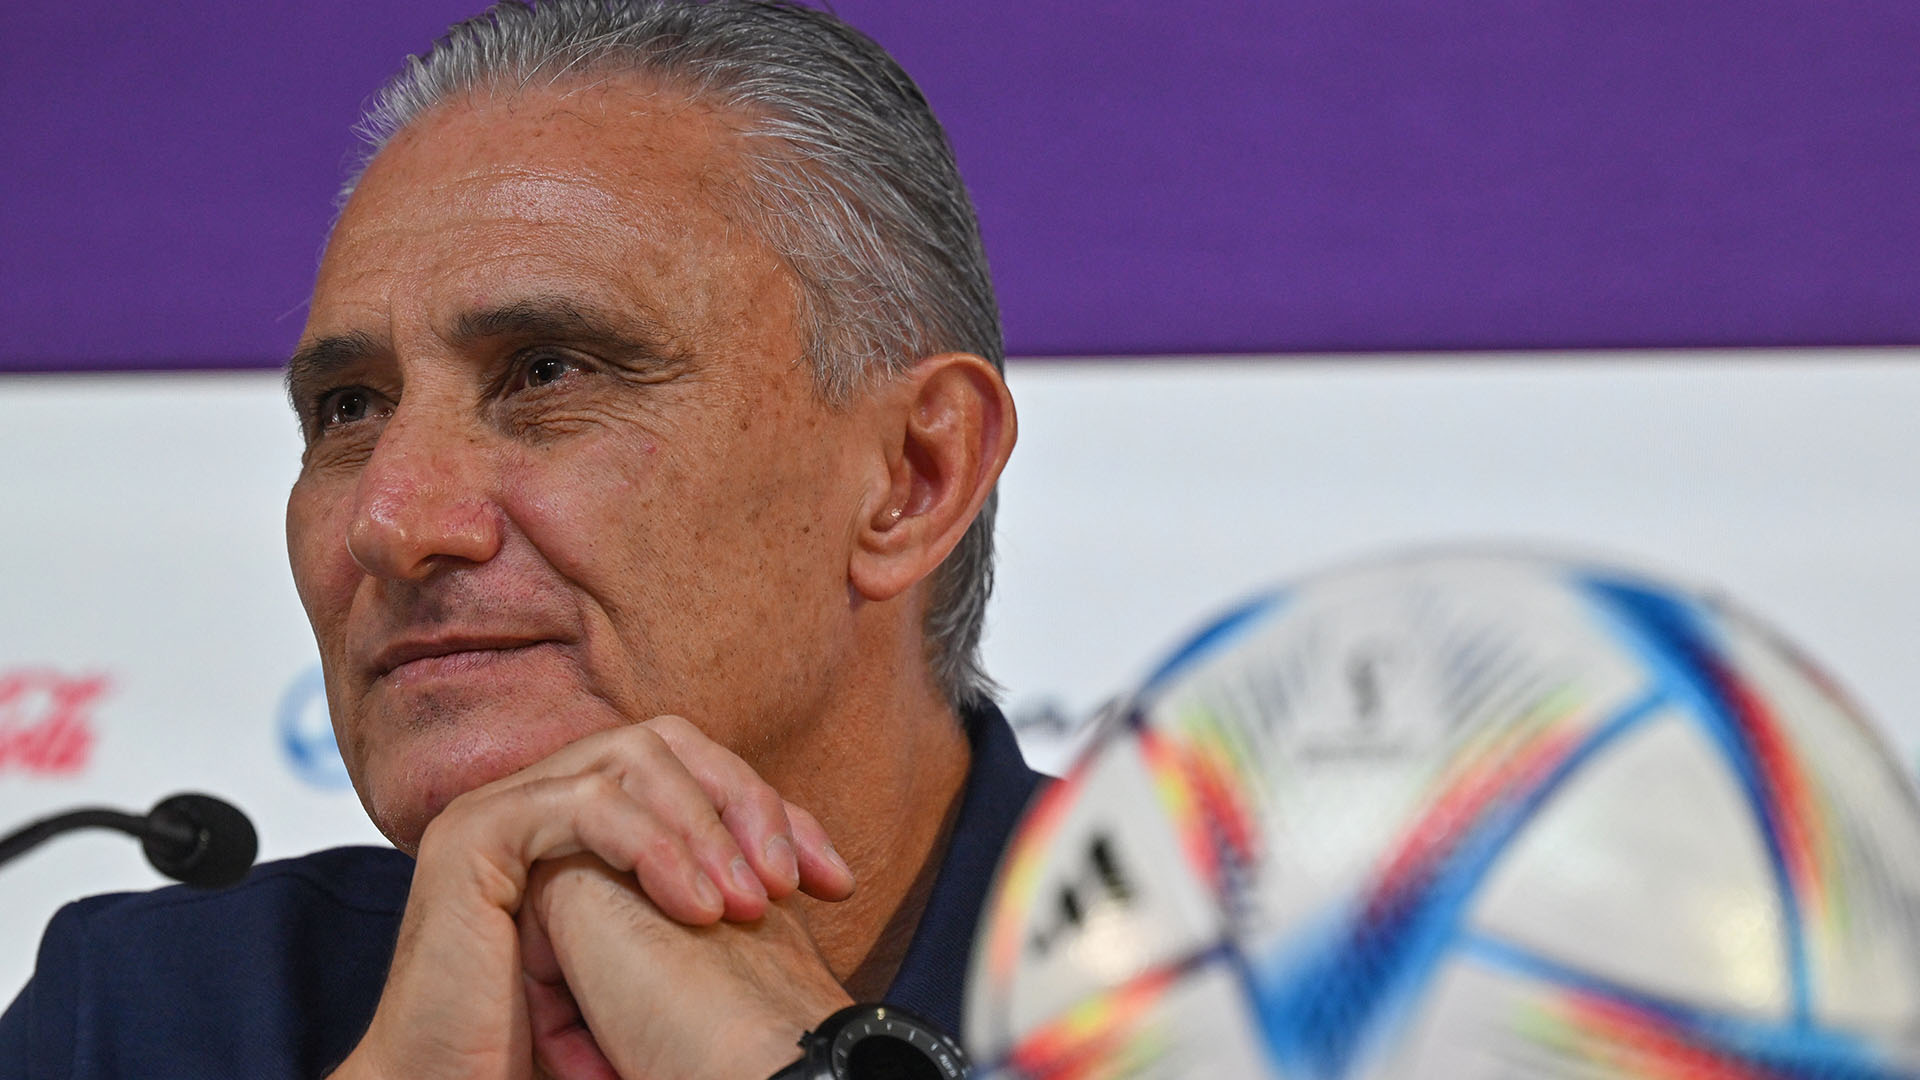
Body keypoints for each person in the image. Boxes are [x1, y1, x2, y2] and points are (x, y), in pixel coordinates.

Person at [0, 2, 1040, 1077]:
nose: (390, 523)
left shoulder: (1162, 992)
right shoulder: (137, 1018)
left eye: (548, 374)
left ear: (913, 475)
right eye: (350, 409)